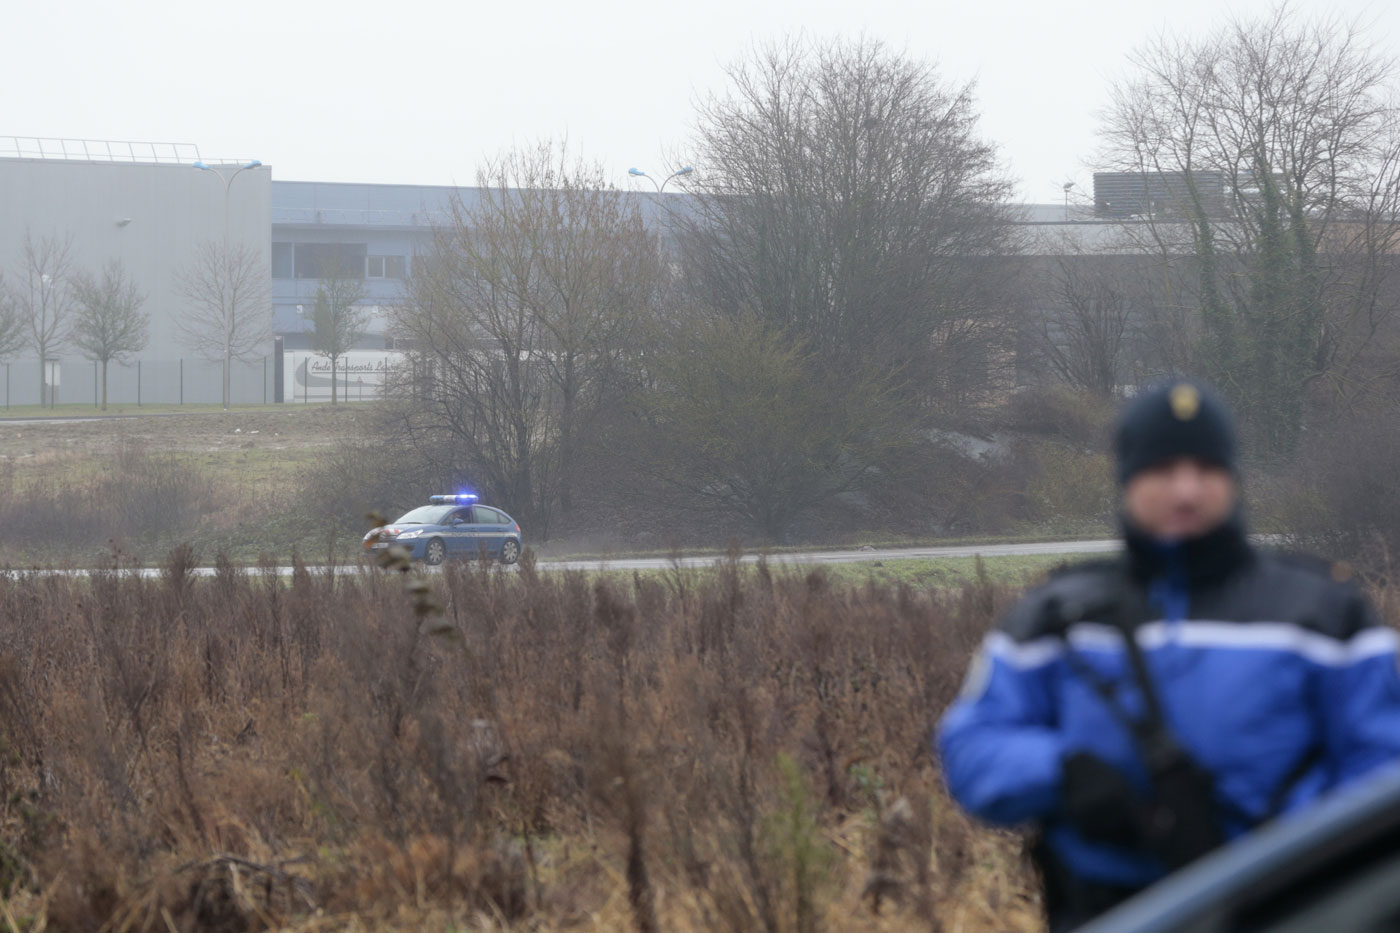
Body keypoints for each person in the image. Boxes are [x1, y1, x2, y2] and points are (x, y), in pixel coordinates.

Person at [936, 380, 1400, 932]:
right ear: (1127, 482)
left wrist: (1296, 839)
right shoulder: (1055, 616)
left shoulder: (1325, 613)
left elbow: (1385, 769)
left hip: (1291, 910)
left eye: (1206, 470)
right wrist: (1062, 772)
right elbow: (972, 744)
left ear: (1233, 479)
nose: (1186, 491)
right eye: (1162, 471)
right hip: (1113, 912)